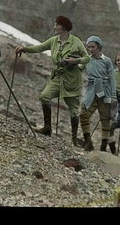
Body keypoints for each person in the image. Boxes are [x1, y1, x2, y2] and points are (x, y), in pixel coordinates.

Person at [15, 16, 90, 144]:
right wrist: (25, 49)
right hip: (57, 78)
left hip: (72, 80)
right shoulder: (53, 41)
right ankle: (47, 128)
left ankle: (73, 139)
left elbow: (87, 58)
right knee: (44, 96)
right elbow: (39, 48)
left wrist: (75, 61)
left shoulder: (76, 42)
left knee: (73, 109)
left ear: (64, 27)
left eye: (57, 25)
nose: (54, 27)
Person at [79, 36, 116, 151]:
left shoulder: (107, 61)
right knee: (83, 114)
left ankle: (103, 148)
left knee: (105, 119)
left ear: (99, 47)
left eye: (93, 47)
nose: (90, 49)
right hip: (91, 91)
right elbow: (79, 68)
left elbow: (112, 78)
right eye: (89, 47)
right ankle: (88, 142)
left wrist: (113, 95)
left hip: (105, 92)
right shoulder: (87, 60)